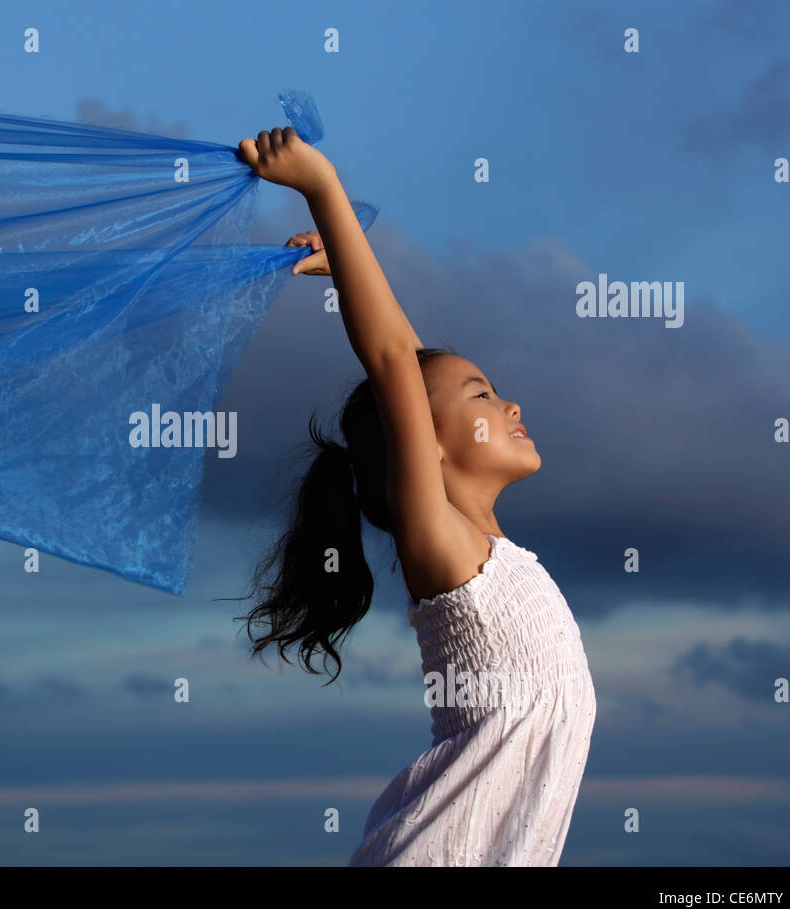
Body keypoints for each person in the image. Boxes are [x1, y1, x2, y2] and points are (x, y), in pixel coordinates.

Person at [233, 127, 597, 865]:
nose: (511, 406)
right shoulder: (444, 550)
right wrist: (323, 188)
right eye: (485, 397)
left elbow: (415, 368)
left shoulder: (493, 559)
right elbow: (397, 359)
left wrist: (350, 273)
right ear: (424, 446)